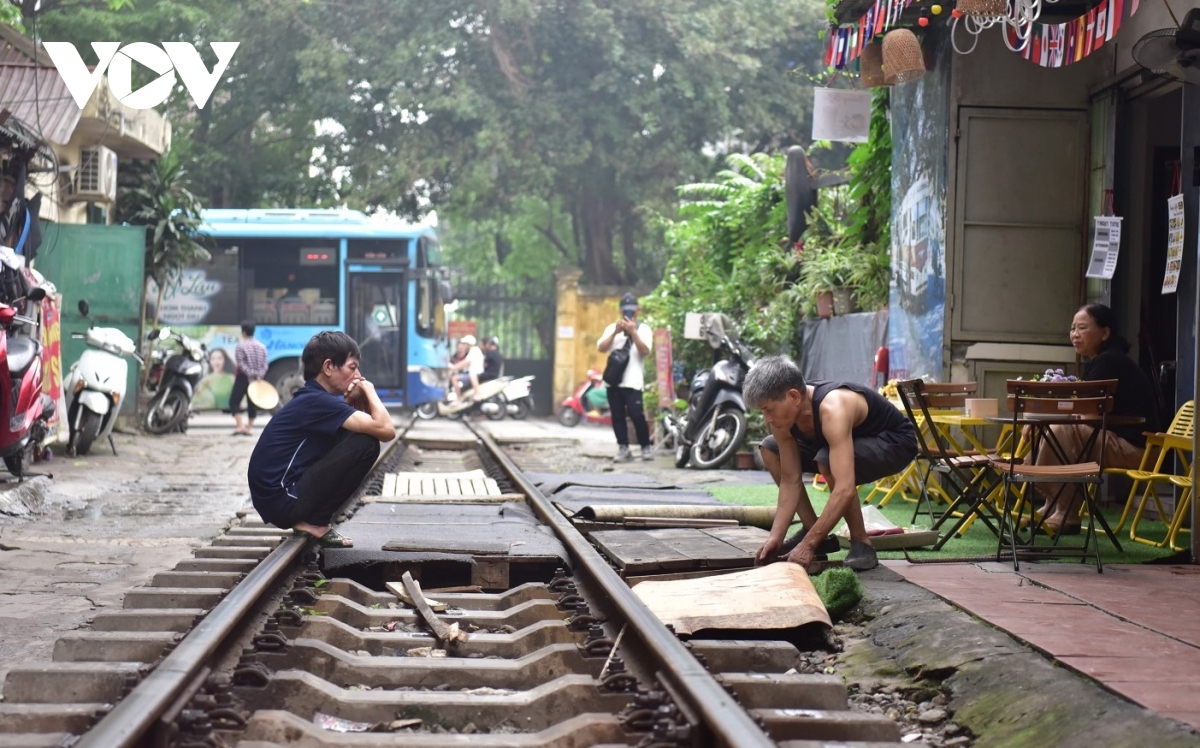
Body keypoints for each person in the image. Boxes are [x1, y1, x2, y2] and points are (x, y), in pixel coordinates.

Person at [743, 355, 918, 573]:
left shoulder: (832, 407)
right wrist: (775, 538)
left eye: (769, 409)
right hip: (846, 445)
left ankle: (861, 543)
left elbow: (845, 487)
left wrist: (807, 546)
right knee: (770, 448)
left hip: (895, 442)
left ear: (794, 396)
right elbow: (790, 479)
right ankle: (817, 533)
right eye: (763, 411)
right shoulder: (782, 419)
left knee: (826, 460)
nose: (767, 419)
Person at [247, 331, 395, 548]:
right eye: (352, 368)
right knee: (366, 445)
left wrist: (358, 401)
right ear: (328, 367)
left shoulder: (314, 399)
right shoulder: (318, 402)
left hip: (277, 499)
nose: (358, 375)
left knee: (358, 436)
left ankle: (313, 518)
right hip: (283, 499)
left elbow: (369, 426)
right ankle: (316, 522)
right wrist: (369, 390)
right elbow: (386, 429)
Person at [1028, 304, 1162, 535]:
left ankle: (1067, 513)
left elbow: (1089, 418)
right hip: (1117, 442)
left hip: (1138, 450)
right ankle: (1054, 505)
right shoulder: (1102, 360)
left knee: (1063, 430)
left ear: (1105, 333)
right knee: (1060, 429)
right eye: (1072, 328)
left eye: (1082, 327)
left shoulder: (1108, 361)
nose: (1074, 334)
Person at [597, 292, 653, 462]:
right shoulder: (611, 328)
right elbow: (601, 348)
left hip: (633, 382)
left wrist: (633, 332)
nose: (628, 315)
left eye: (631, 312)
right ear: (621, 311)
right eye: (625, 312)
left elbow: (645, 351)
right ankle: (623, 448)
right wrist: (615, 333)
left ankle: (645, 447)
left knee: (637, 415)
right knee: (617, 416)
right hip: (613, 382)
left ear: (638, 311)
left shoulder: (644, 329)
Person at [230, 321, 270, 436]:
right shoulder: (261, 346)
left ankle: (240, 426)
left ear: (243, 332)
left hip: (243, 378)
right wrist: (258, 375)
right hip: (257, 380)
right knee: (252, 403)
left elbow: (241, 364)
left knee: (234, 401)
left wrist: (250, 373)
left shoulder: (240, 346)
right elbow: (265, 365)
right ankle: (249, 428)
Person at [449, 334, 485, 401]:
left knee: (454, 378)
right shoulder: (473, 350)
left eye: (464, 344)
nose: (463, 346)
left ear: (468, 344)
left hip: (475, 373)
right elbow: (465, 364)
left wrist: (453, 367)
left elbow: (465, 362)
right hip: (473, 372)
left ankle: (459, 398)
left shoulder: (474, 350)